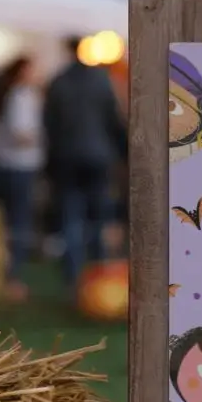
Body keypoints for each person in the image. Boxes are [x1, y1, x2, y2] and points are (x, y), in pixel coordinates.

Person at [43, 37, 127, 295]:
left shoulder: (57, 82)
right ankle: (100, 277)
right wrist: (123, 151)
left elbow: (49, 123)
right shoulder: (101, 81)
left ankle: (73, 279)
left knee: (70, 217)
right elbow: (113, 119)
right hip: (98, 157)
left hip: (66, 158)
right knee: (98, 218)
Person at [0, 56, 45, 302]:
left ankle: (7, 275)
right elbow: (20, 134)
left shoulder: (10, 95)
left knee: (10, 221)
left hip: (6, 164)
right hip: (19, 166)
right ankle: (12, 278)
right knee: (18, 223)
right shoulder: (22, 97)